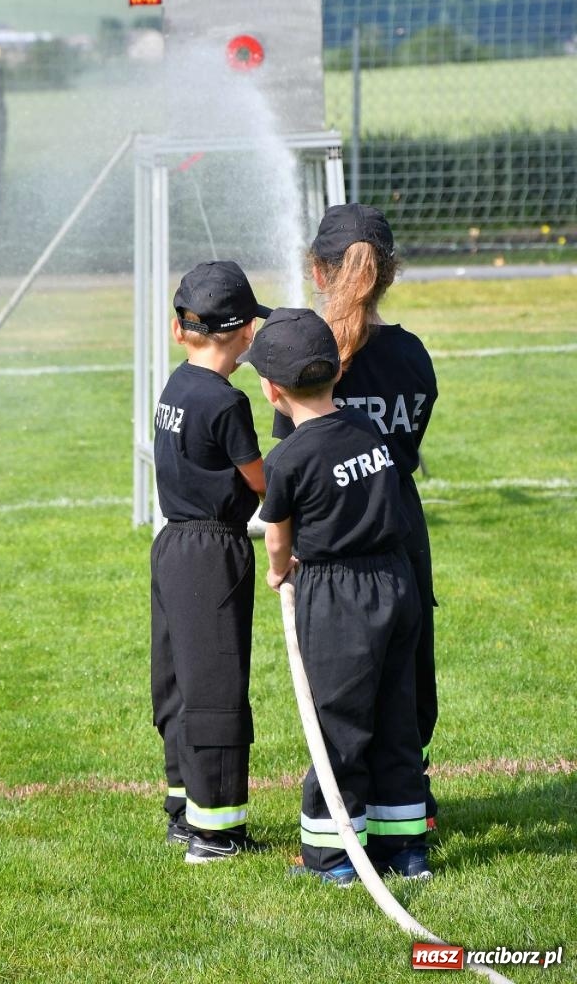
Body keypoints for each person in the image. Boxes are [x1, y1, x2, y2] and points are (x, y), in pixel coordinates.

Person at [242, 306, 431, 885]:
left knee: (338, 725)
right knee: (396, 716)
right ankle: (406, 849)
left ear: (273, 390)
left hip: (339, 595)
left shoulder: (289, 457)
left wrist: (279, 572)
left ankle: (332, 857)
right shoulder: (367, 428)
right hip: (396, 583)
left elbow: (277, 533)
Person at [273, 203, 439, 826]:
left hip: (332, 554)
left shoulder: (304, 361)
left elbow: (291, 460)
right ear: (389, 273)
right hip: (398, 539)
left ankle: (344, 824)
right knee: (404, 683)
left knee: (340, 696)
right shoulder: (413, 356)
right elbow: (409, 449)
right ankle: (405, 811)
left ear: (318, 271)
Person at [150, 260, 270, 864]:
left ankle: (184, 808)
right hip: (212, 552)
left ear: (181, 332)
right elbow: (259, 481)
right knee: (218, 686)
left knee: (178, 681)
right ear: (247, 332)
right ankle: (215, 833)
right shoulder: (227, 403)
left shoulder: (175, 385)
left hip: (171, 546)